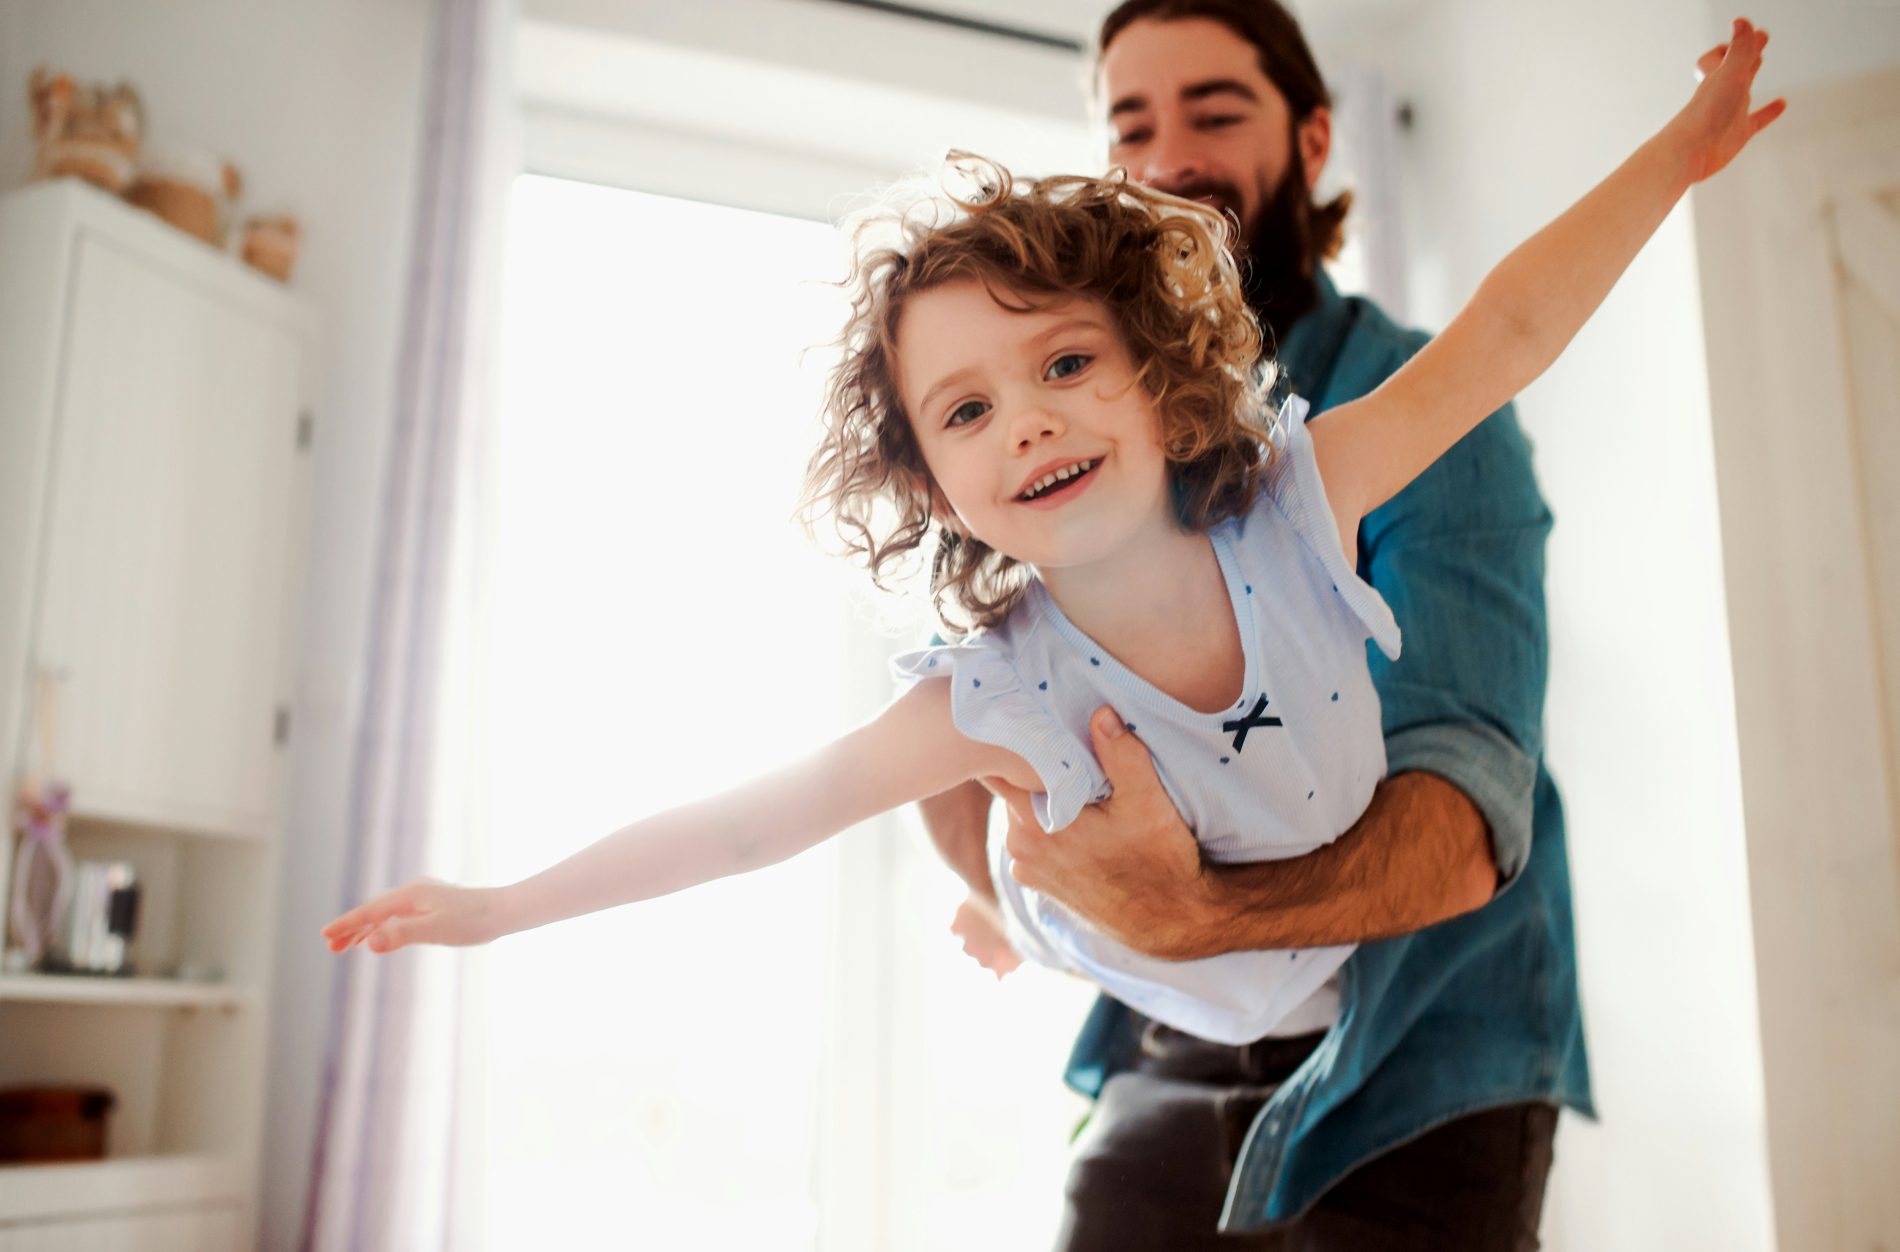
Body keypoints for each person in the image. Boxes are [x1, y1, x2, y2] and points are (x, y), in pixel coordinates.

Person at [321, 19, 1778, 1243]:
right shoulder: (990, 683)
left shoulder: (1297, 494)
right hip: (1152, 1004)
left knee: (1072, 872)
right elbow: (751, 828)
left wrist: (1677, 155)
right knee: (1022, 862)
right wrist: (500, 906)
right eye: (967, 412)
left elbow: (1509, 335)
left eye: (1067, 364)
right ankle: (1010, 919)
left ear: (1160, 372)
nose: (1028, 420)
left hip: (1403, 1045)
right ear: (930, 481)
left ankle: (1023, 916)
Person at [913, 5, 1781, 1249]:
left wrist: (1188, 914)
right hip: (1166, 1053)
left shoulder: (1407, 417)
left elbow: (1461, 822)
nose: (1167, 159)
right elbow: (963, 731)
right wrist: (1023, 898)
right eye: (1131, 126)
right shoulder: (1070, 444)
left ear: (1313, 138)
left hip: (1416, 1065)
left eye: (1213, 112)